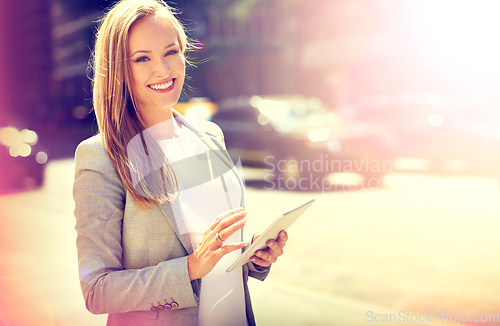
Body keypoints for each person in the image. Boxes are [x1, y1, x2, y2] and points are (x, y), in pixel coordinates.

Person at [73, 0, 288, 325]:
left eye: (171, 52)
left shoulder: (209, 136)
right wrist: (190, 268)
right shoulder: (101, 156)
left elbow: (215, 248)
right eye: (142, 58)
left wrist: (253, 257)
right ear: (120, 68)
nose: (163, 70)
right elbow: (97, 290)